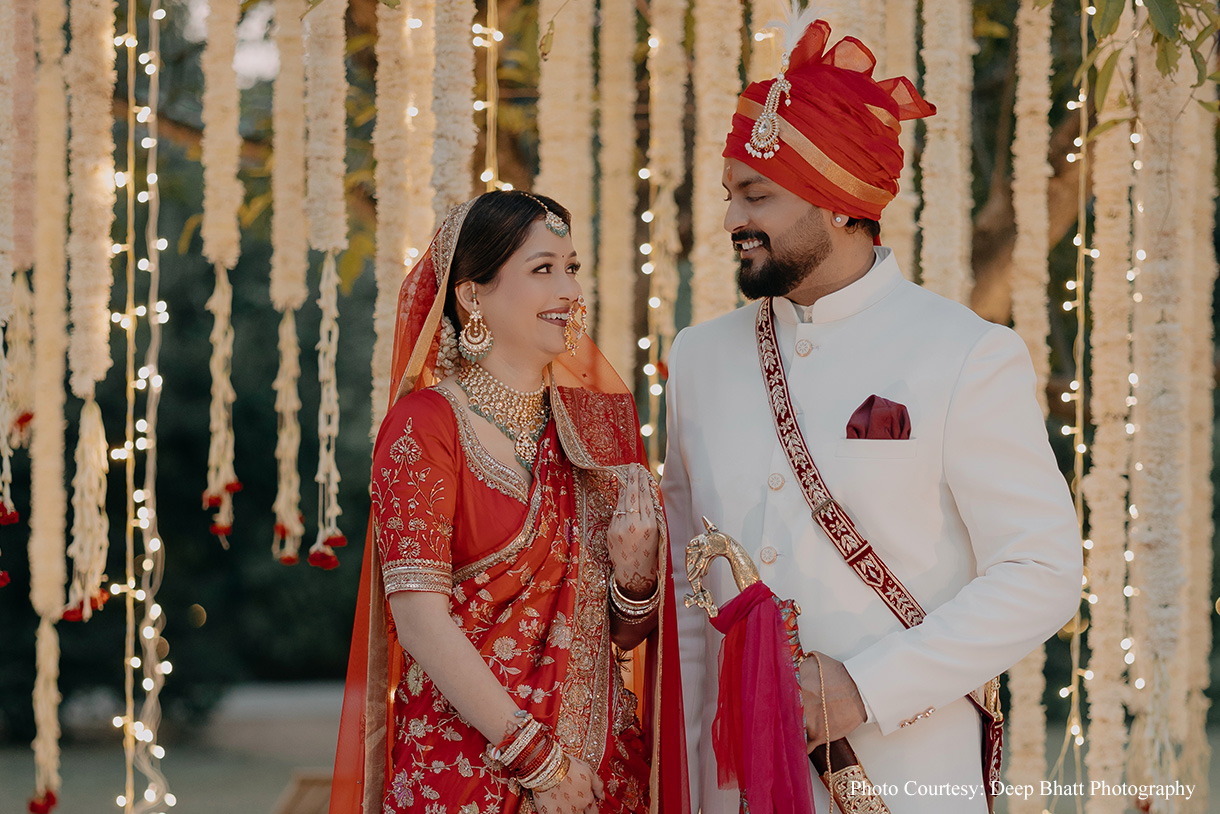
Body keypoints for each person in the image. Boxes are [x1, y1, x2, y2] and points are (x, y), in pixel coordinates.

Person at [661, 13, 1083, 814]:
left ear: (840, 203)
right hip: (733, 789)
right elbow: (693, 597)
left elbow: (1043, 571)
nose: (729, 222)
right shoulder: (698, 359)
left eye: (756, 195)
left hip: (905, 779)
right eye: (728, 195)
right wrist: (685, 782)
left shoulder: (964, 354)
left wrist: (864, 686)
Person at [329, 191, 689, 814]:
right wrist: (539, 764)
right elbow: (419, 621)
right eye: (543, 268)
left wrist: (635, 579)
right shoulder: (425, 426)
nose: (569, 289)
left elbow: (623, 639)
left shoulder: (596, 430)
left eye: (572, 268)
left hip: (599, 777)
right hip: (470, 773)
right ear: (472, 295)